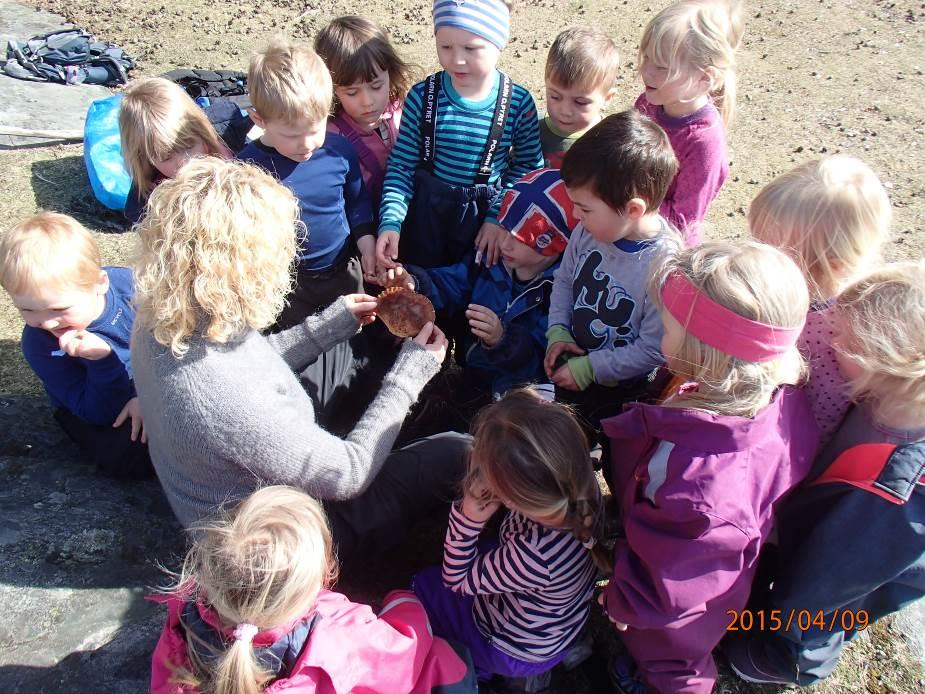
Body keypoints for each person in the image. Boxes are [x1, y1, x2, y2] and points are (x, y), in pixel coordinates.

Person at [131, 158, 469, 566]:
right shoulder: (221, 398)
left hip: (247, 472)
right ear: (246, 266)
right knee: (457, 451)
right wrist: (409, 377)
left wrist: (330, 325)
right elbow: (349, 473)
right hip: (280, 546)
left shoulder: (166, 316)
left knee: (358, 353)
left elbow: (251, 362)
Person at [598, 240, 821, 694]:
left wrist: (624, 601)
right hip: (712, 565)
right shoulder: (779, 396)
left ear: (706, 352)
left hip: (681, 605)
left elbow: (673, 583)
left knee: (670, 658)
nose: (661, 335)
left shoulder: (702, 485)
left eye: (669, 327)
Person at [724, 262, 925, 687]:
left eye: (846, 340)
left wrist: (791, 617)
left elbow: (838, 578)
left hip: (845, 569)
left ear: (888, 360)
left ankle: (796, 659)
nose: (833, 342)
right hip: (833, 526)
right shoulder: (887, 395)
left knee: (818, 607)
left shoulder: (898, 492)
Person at [151, 485, 478, 694]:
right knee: (448, 662)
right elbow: (404, 656)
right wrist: (403, 600)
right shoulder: (338, 630)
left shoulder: (185, 614)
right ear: (326, 570)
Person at [413, 388, 608, 689]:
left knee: (424, 586)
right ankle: (556, 657)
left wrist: (469, 519)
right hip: (559, 624)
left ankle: (482, 670)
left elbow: (456, 579)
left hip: (512, 648)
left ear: (512, 501)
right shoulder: (582, 487)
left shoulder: (534, 554)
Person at [376, 0, 544, 270]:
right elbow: (402, 165)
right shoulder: (422, 96)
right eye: (445, 47)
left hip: (482, 224)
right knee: (421, 285)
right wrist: (391, 221)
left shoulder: (518, 103)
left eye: (471, 48)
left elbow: (527, 168)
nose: (457, 59)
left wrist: (497, 217)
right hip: (426, 216)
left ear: (499, 43)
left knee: (469, 290)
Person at [544, 110, 679, 435]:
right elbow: (564, 280)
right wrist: (558, 330)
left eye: (585, 208)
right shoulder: (590, 231)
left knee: (603, 441)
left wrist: (592, 368)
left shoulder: (664, 266)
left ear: (633, 209)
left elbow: (652, 348)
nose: (575, 215)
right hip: (574, 357)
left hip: (621, 387)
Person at [392, 168, 575, 407]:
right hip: (474, 374)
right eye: (505, 230)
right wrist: (415, 282)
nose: (505, 244)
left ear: (554, 245)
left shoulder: (560, 293)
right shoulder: (491, 259)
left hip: (519, 397)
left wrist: (503, 338)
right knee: (461, 415)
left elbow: (542, 361)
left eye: (521, 239)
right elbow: (455, 283)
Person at [748, 156, 892, 441]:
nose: (756, 255)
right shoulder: (795, 287)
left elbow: (826, 412)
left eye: (772, 250)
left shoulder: (831, 329)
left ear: (833, 264)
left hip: (793, 438)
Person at [0, 212, 150, 479]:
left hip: (149, 384)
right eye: (27, 310)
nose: (46, 323)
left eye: (58, 309)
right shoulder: (39, 344)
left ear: (100, 284)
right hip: (93, 402)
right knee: (127, 455)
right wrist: (102, 361)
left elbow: (169, 339)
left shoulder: (130, 288)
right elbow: (96, 412)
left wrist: (147, 397)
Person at [238, 39, 376, 326]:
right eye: (291, 135)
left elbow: (357, 202)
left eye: (315, 129)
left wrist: (366, 243)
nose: (306, 145)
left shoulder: (339, 150)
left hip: (344, 270)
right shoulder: (248, 169)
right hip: (289, 283)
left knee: (354, 330)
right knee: (304, 343)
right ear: (259, 119)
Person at [635, 0, 744, 245]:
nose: (647, 71)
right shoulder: (648, 102)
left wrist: (625, 195)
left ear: (704, 78)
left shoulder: (704, 142)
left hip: (663, 248)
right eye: (646, 57)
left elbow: (682, 222)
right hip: (630, 223)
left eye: (661, 67)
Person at [315, 15, 418, 214]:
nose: (367, 101)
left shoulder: (407, 109)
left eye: (376, 86)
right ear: (330, 88)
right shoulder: (329, 136)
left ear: (391, 71)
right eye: (352, 92)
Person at [119, 76, 232, 224]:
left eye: (189, 145)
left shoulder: (236, 155)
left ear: (202, 133)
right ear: (145, 159)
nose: (184, 162)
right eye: (166, 157)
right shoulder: (146, 201)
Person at [541, 27, 620, 168]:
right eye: (555, 96)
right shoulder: (532, 129)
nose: (565, 111)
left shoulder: (610, 142)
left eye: (580, 102)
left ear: (607, 98)